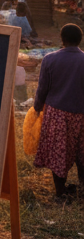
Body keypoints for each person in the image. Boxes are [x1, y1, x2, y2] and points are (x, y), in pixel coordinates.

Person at [33, 22, 84, 203]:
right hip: (81, 115)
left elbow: (42, 89)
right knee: (81, 153)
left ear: (62, 39)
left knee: (59, 153)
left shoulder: (50, 59)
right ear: (80, 40)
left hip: (57, 114)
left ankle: (60, 192)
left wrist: (37, 108)